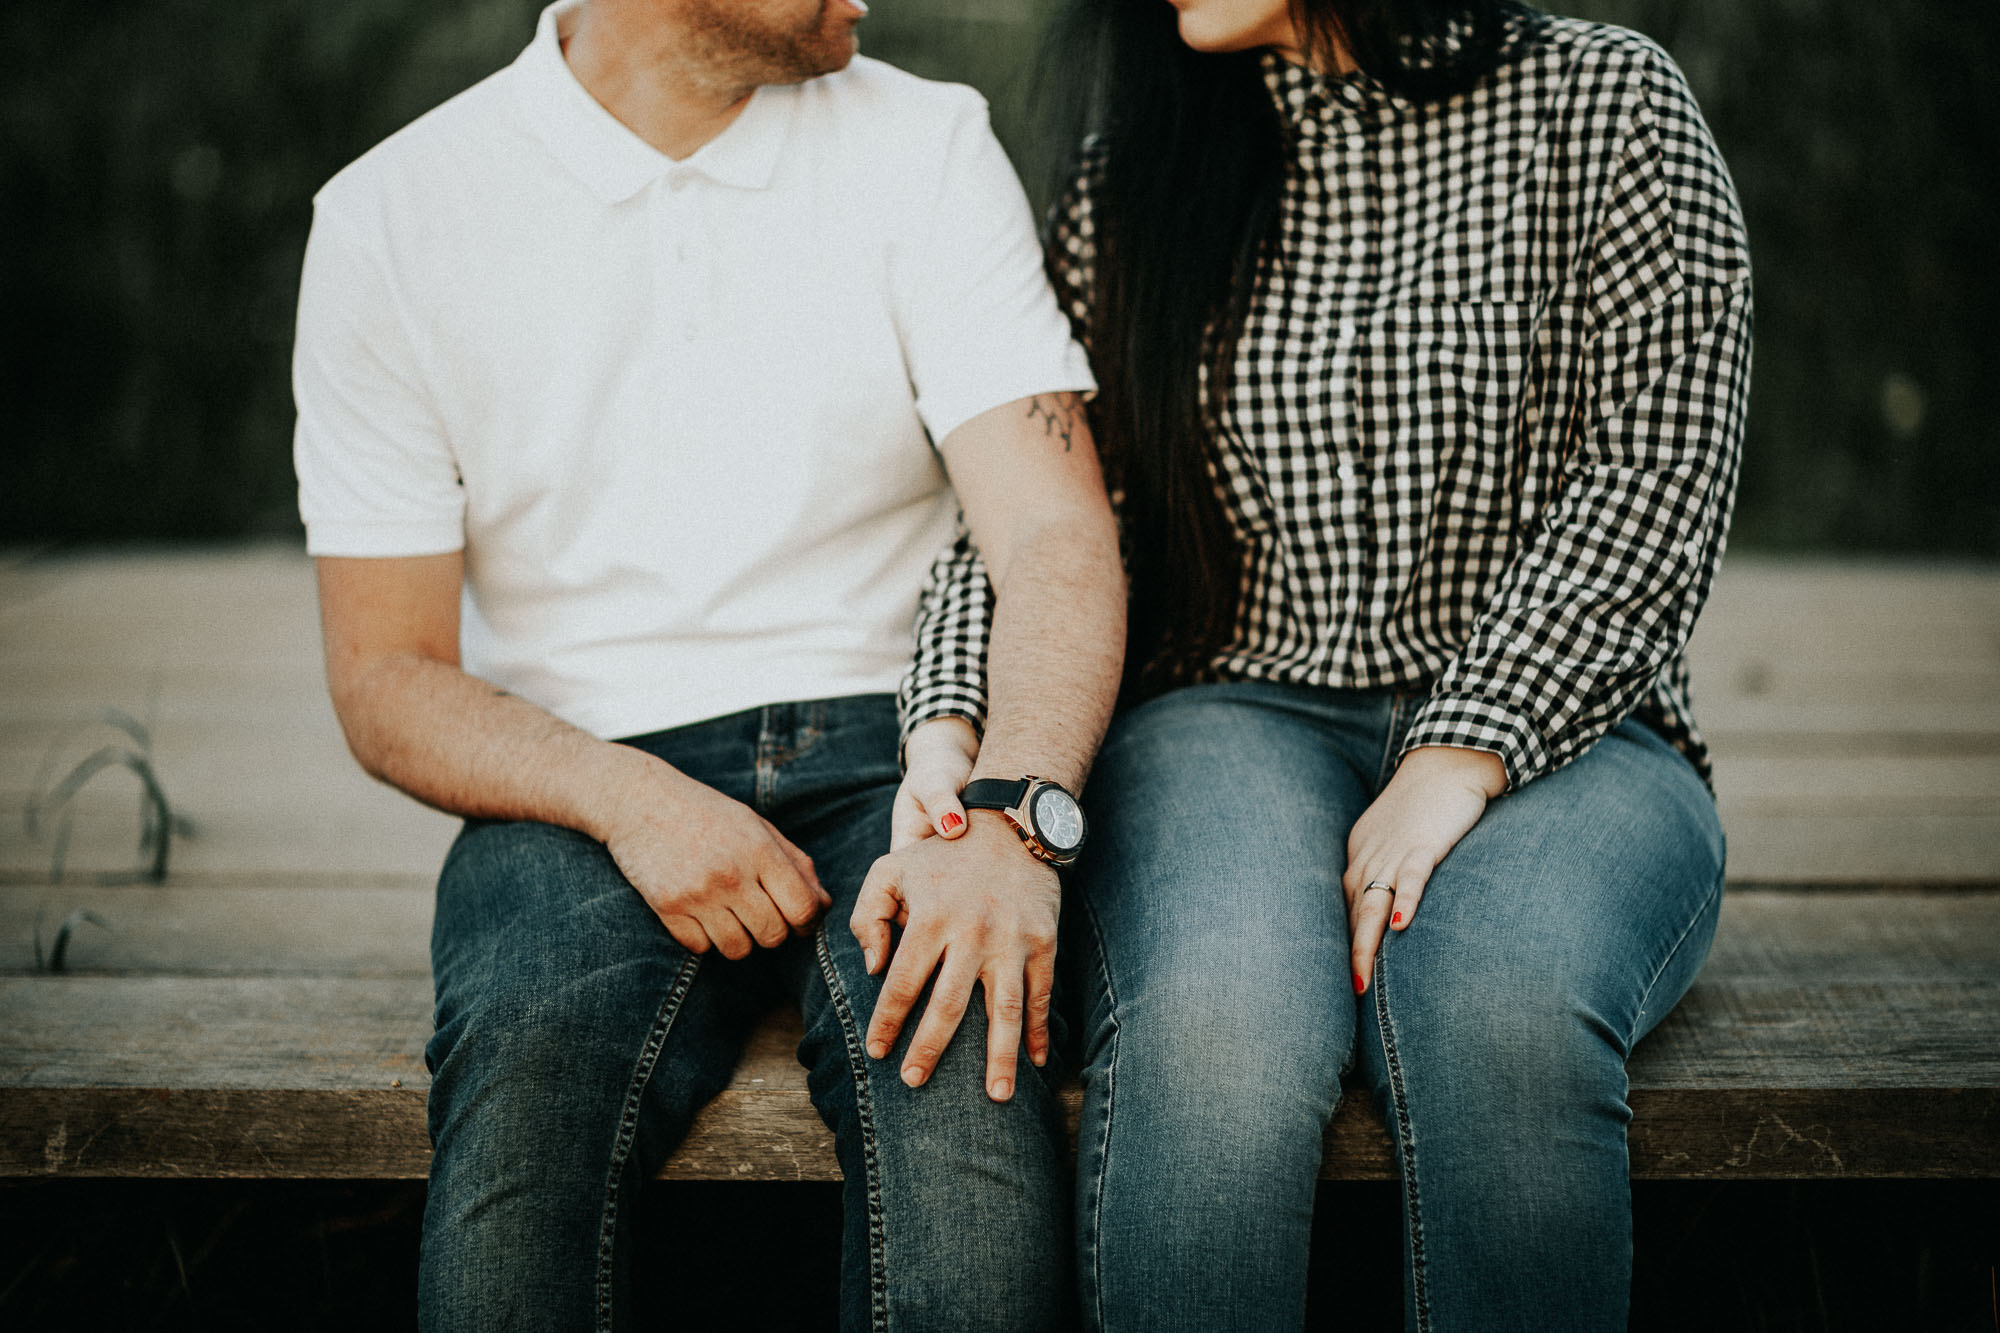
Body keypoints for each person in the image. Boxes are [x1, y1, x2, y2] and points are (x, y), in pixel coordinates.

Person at [893, 0, 1752, 1328]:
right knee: (1216, 1035)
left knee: (1503, 1019)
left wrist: (1463, 748)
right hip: (1230, 707)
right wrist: (953, 719)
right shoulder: (1135, 169)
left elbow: (1654, 477)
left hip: (1572, 730)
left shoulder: (1610, 104)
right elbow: (1047, 511)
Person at [291, 0, 1125, 1328]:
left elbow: (1057, 531)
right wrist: (630, 799)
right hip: (580, 770)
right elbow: (385, 675)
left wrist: (1011, 819)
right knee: (524, 1117)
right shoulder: (395, 217)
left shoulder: (928, 142)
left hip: (911, 747)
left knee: (970, 1105)